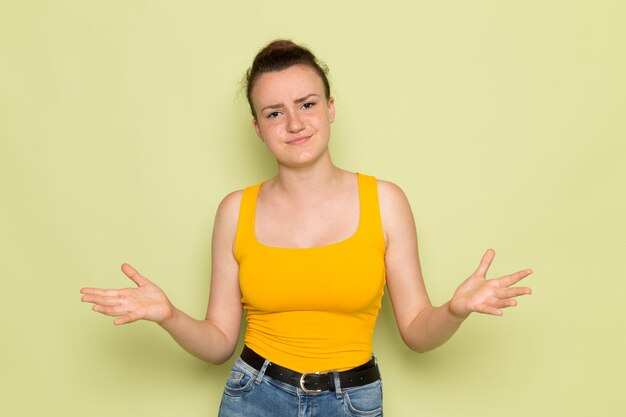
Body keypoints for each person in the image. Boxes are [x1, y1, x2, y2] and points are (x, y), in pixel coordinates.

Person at [80, 39, 533, 417]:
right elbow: (219, 342)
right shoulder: (235, 211)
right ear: (257, 128)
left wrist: (455, 309)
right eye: (274, 113)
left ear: (330, 108)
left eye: (307, 104)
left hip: (351, 401)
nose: (294, 123)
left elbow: (415, 331)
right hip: (252, 396)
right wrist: (169, 315)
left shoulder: (386, 202)